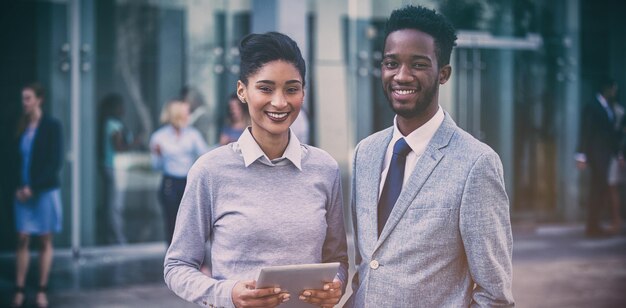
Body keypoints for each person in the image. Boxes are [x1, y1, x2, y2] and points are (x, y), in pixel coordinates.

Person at [164, 31, 348, 308]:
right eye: (265, 88)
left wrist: (337, 285)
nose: (279, 102)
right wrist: (227, 293)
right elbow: (177, 266)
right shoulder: (210, 171)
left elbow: (338, 260)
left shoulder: (325, 169)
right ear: (242, 91)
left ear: (303, 92)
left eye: (291, 89)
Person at [346, 6, 514, 307]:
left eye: (418, 64)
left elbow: (494, 295)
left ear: (443, 74)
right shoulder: (365, 154)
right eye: (391, 63)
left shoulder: (476, 164)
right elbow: (368, 267)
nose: (402, 76)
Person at [11, 83, 63, 308]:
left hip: (44, 191)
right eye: (23, 98)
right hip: (22, 192)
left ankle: (42, 290)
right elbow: (11, 160)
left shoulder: (52, 126)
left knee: (44, 240)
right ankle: (20, 289)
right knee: (22, 238)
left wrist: (35, 187)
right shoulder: (19, 126)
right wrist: (18, 186)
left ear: (39, 99)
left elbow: (55, 162)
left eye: (29, 98)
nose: (25, 103)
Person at [149, 100, 209, 244]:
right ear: (178, 115)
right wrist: (158, 155)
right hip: (169, 183)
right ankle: (172, 262)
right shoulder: (159, 137)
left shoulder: (193, 135)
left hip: (188, 183)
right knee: (171, 224)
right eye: (187, 113)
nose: (189, 116)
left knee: (191, 224)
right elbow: (156, 167)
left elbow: (205, 156)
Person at [576, 77, 621, 237]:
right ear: (606, 88)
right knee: (596, 190)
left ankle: (595, 225)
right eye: (613, 88)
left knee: (600, 190)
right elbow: (585, 131)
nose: (614, 92)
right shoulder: (593, 106)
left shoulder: (607, 106)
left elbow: (611, 134)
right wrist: (581, 155)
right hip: (596, 154)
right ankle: (592, 226)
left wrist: (617, 153)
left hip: (605, 154)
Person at [98, 93, 138, 244]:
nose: (123, 109)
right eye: (120, 106)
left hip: (113, 167)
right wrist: (136, 142)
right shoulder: (113, 124)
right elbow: (119, 147)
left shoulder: (111, 123)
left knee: (112, 204)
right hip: (115, 167)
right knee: (115, 205)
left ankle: (113, 237)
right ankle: (118, 239)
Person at [607, 94, 625, 234]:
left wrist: (620, 155)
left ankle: (617, 220)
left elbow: (620, 136)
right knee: (613, 187)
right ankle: (616, 219)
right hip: (613, 155)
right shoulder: (611, 110)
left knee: (614, 187)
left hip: (618, 155)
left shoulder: (619, 112)